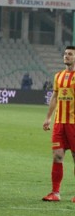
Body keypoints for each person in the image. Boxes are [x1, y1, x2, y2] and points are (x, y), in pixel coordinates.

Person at [42, 46, 75, 202]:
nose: (66, 56)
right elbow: (55, 97)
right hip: (59, 124)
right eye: (65, 54)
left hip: (74, 124)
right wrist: (48, 117)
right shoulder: (58, 76)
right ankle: (55, 193)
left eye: (70, 54)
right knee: (57, 157)